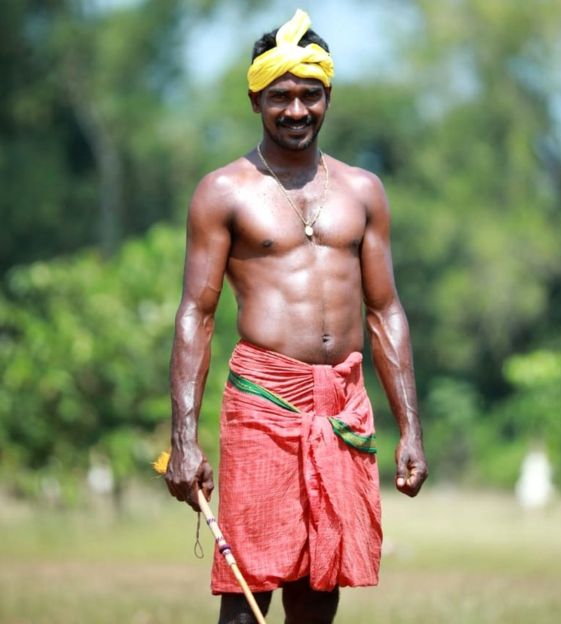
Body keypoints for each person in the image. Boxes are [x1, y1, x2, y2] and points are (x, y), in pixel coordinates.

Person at [164, 9, 428, 624]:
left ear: (328, 96)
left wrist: (410, 426)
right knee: (247, 582)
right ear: (256, 97)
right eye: (280, 96)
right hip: (263, 398)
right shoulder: (223, 191)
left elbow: (386, 311)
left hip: (341, 402)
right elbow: (195, 315)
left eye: (310, 95)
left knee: (319, 581)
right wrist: (182, 436)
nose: (296, 110)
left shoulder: (363, 190)